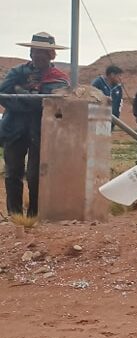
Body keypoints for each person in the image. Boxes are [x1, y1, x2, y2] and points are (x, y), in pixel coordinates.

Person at [0, 32, 70, 217]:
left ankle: (34, 215)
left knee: (36, 175)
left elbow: (50, 100)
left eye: (42, 52)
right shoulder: (17, 71)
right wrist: (29, 98)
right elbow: (3, 94)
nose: (37, 55)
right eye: (35, 51)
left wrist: (20, 91)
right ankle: (14, 215)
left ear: (51, 55)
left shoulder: (59, 78)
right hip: (14, 130)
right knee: (13, 173)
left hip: (42, 131)